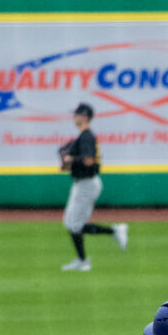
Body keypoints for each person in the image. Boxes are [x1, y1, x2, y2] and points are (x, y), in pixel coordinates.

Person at [58, 103, 127, 272]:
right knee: (70, 223)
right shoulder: (82, 136)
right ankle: (83, 259)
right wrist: (68, 163)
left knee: (74, 224)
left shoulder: (87, 136)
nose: (74, 117)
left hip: (87, 184)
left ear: (85, 116)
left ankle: (114, 232)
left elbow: (89, 160)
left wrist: (70, 160)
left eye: (76, 114)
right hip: (81, 183)